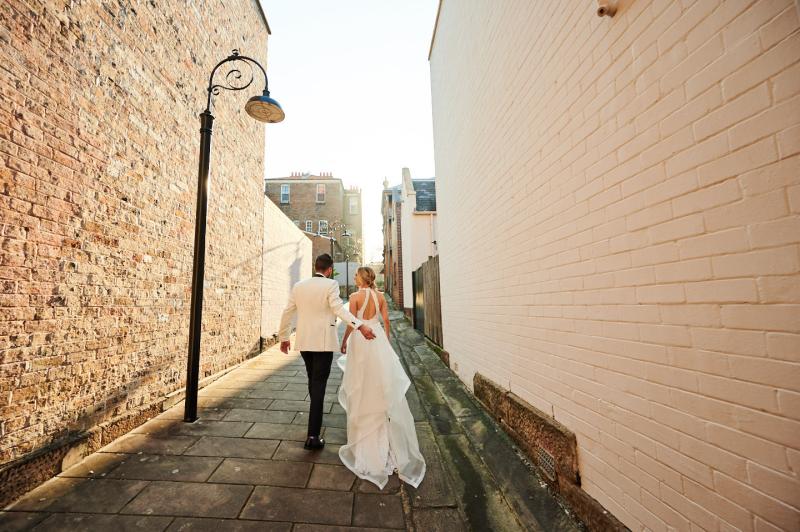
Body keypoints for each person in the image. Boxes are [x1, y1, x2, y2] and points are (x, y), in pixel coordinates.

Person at [337, 266, 426, 489]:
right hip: (377, 342)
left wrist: (345, 341)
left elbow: (352, 323)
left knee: (362, 385)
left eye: (357, 275)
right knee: (381, 388)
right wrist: (385, 343)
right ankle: (386, 443)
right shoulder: (381, 297)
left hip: (361, 342)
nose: (355, 277)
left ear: (362, 278)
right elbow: (386, 322)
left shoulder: (356, 297)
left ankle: (367, 446)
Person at [278, 254, 377, 450]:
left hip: (305, 343)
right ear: (330, 269)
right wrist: (361, 326)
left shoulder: (299, 286)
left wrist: (284, 338)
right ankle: (313, 436)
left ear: (316, 267)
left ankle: (313, 425)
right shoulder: (331, 285)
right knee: (319, 386)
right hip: (322, 344)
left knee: (313, 382)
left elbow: (287, 312)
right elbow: (339, 310)